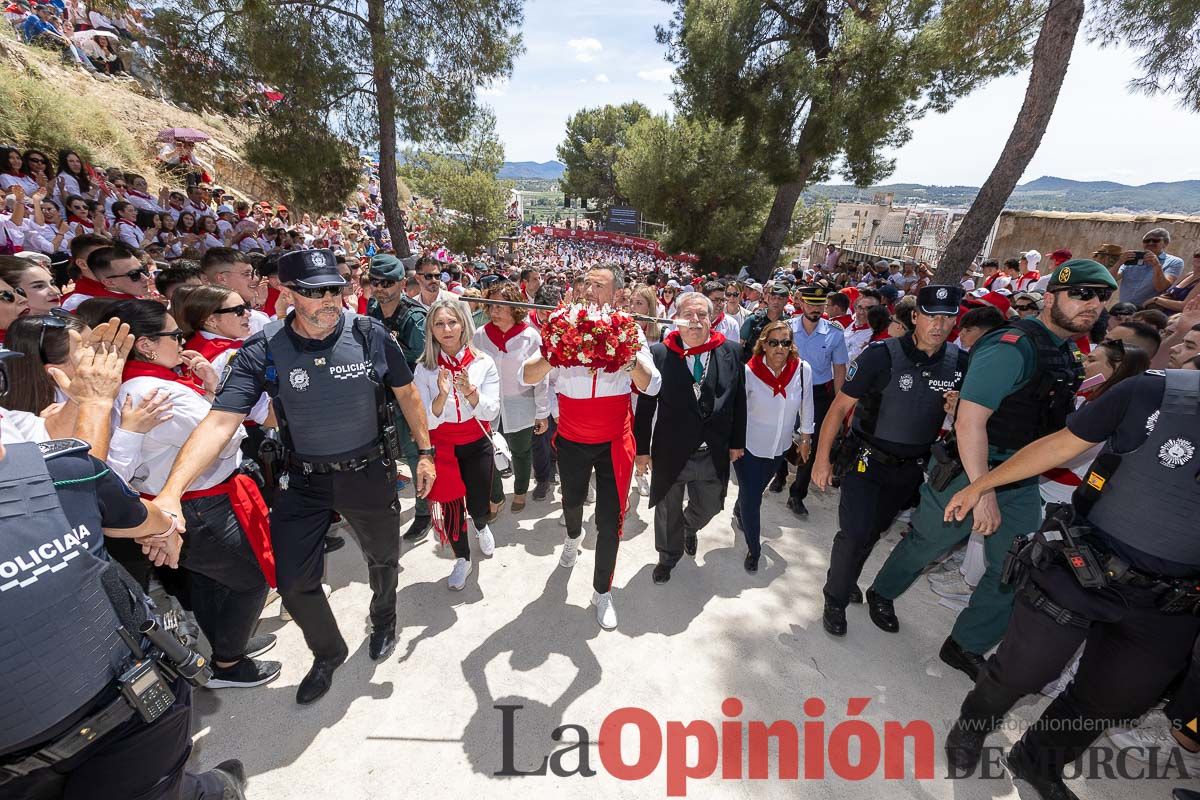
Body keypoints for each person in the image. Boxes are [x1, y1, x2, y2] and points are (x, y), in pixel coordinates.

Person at [147, 249, 436, 705]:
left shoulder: (370, 335)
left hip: (367, 473)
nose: (328, 300)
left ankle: (384, 620)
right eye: (314, 292)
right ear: (287, 293)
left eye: (335, 289)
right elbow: (221, 421)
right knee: (293, 581)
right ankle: (328, 651)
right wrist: (170, 491)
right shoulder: (264, 349)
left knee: (383, 560)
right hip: (303, 481)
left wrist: (425, 452)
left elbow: (406, 395)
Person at [942, 366, 1200, 800]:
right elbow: (1061, 445)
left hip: (1172, 600)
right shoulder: (1154, 392)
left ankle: (1037, 759)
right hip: (1085, 565)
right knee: (1023, 668)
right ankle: (971, 728)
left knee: (1115, 697)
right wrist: (982, 485)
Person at [0, 352, 249, 800]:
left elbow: (107, 500)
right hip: (58, 740)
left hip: (128, 711)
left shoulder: (58, 470)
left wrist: (163, 523)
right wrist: (94, 406)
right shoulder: (59, 472)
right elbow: (119, 505)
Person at [863, 260, 1116, 680]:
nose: (1092, 304)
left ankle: (966, 644)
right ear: (1051, 297)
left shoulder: (1066, 352)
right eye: (1082, 294)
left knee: (1014, 565)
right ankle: (883, 591)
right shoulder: (1011, 346)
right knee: (929, 542)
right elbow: (970, 422)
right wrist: (983, 491)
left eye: (1102, 297)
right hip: (972, 469)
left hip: (1020, 476)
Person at [103, 299, 280, 690]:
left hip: (184, 502)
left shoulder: (134, 386)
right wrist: (216, 393)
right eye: (174, 336)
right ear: (147, 345)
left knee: (208, 579)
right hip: (204, 504)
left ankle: (227, 643)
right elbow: (228, 432)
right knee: (251, 577)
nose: (181, 342)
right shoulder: (160, 392)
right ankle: (229, 662)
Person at [811, 286, 968, 637]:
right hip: (866, 462)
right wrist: (822, 460)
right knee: (853, 534)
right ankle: (835, 598)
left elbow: (972, 424)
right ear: (915, 317)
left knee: (873, 532)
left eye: (947, 317)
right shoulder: (881, 355)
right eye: (931, 316)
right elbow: (839, 408)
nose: (939, 325)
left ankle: (848, 577)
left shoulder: (960, 363)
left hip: (910, 469)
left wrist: (959, 411)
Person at [521, 263, 660, 630]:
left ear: (617, 295)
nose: (589, 290)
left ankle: (602, 591)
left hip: (615, 440)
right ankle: (571, 535)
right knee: (571, 502)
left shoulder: (628, 329)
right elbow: (527, 375)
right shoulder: (562, 324)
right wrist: (555, 349)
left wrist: (626, 358)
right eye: (585, 283)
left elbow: (653, 384)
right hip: (571, 437)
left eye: (599, 285)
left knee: (610, 520)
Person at [633, 292, 745, 583]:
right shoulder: (659, 354)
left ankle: (688, 528)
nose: (695, 321)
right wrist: (642, 450)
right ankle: (668, 557)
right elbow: (645, 406)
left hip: (713, 449)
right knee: (668, 508)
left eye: (702, 315)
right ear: (676, 320)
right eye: (688, 315)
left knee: (711, 504)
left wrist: (736, 442)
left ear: (711, 319)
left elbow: (738, 400)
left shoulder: (731, 351)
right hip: (671, 449)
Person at [415, 299, 500, 589]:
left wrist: (470, 392)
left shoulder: (483, 362)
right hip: (443, 447)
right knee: (451, 507)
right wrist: (441, 396)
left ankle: (481, 523)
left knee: (478, 503)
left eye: (452, 322)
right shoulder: (424, 369)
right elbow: (426, 421)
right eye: (439, 324)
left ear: (463, 325)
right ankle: (462, 557)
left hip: (477, 441)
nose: (447, 329)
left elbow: (491, 411)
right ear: (431, 330)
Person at [733, 321, 813, 572]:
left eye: (786, 342)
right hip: (748, 447)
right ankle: (754, 549)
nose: (780, 347)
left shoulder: (801, 370)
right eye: (774, 342)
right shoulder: (748, 372)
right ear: (763, 344)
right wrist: (732, 443)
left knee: (754, 490)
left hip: (779, 447)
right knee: (753, 497)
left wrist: (806, 438)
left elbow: (807, 404)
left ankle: (739, 508)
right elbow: (736, 411)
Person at [366, 253, 432, 542]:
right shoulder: (372, 310)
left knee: (416, 453)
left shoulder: (414, 318)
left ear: (402, 283)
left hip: (407, 397)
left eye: (387, 283)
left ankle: (423, 512)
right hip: (379, 396)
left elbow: (419, 361)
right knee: (383, 454)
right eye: (374, 282)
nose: (380, 288)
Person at [472, 281, 549, 517]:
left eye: (500, 306)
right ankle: (495, 497)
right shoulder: (480, 336)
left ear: (514, 308)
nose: (494, 311)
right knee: (489, 453)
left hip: (521, 405)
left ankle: (520, 491)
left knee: (520, 451)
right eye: (491, 306)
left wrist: (542, 412)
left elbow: (541, 377)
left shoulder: (530, 337)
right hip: (488, 405)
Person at [774, 285, 849, 516]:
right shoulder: (786, 329)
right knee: (781, 434)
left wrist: (839, 406)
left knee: (812, 444)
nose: (815, 309)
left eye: (820, 305)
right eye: (811, 304)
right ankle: (779, 474)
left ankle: (797, 493)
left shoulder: (835, 333)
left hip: (818, 394)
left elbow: (839, 370)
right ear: (802, 304)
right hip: (788, 390)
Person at [1112, 227, 1186, 308]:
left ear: (1165, 243)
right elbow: (1111, 279)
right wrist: (1119, 263)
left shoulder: (1174, 262)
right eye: (1146, 241)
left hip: (1147, 311)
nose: (1150, 243)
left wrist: (1156, 265)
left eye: (1155, 240)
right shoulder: (1132, 259)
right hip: (1125, 308)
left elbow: (1161, 287)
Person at [739, 282, 790, 362]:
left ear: (786, 301)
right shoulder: (753, 320)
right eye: (773, 298)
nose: (776, 302)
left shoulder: (789, 323)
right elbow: (739, 345)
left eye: (780, 299)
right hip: (753, 369)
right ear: (768, 299)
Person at [842, 288, 882, 362]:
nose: (861, 312)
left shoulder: (873, 334)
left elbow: (852, 358)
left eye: (867, 309)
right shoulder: (852, 324)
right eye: (859, 307)